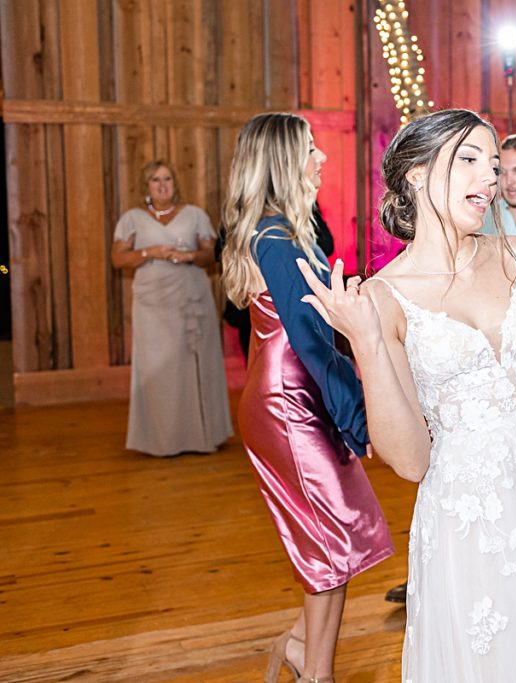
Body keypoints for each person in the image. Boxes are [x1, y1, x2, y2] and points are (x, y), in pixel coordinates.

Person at [297, 108, 516, 682]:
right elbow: (412, 460)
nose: (489, 179)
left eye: (493, 165)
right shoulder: (384, 296)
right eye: (469, 161)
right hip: (472, 507)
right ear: (416, 174)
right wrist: (365, 340)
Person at [221, 113, 394, 683]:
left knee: (336, 535)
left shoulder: (281, 232)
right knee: (332, 542)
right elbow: (312, 341)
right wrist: (357, 418)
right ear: (283, 163)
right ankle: (315, 673)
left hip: (292, 395)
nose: (321, 158)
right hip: (290, 403)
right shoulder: (275, 238)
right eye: (312, 149)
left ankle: (301, 645)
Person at [111, 160, 232, 456]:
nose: (162, 184)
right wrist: (149, 252)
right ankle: (160, 440)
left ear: (175, 183)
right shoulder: (132, 219)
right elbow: (118, 259)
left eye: (167, 178)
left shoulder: (194, 215)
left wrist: (188, 256)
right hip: (152, 305)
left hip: (189, 299)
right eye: (155, 179)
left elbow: (212, 253)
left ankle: (199, 437)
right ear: (146, 186)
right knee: (158, 370)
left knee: (192, 364)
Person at [220, 200, 334, 363]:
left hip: (298, 308)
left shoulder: (304, 205)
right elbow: (220, 249)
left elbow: (327, 244)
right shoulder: (247, 213)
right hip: (255, 307)